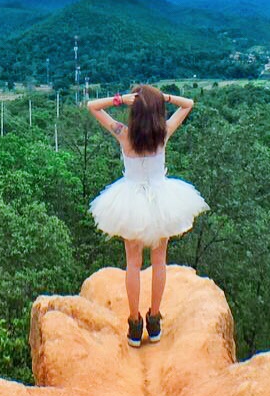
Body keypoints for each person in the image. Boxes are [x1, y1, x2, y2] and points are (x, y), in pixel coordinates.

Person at [87, 85, 208, 347]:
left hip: (130, 202)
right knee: (159, 260)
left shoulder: (125, 135)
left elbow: (91, 106)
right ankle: (154, 320)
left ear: (134, 110)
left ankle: (134, 325)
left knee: (133, 262)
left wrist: (120, 100)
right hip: (160, 201)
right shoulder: (163, 133)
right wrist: (162, 98)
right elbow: (188, 104)